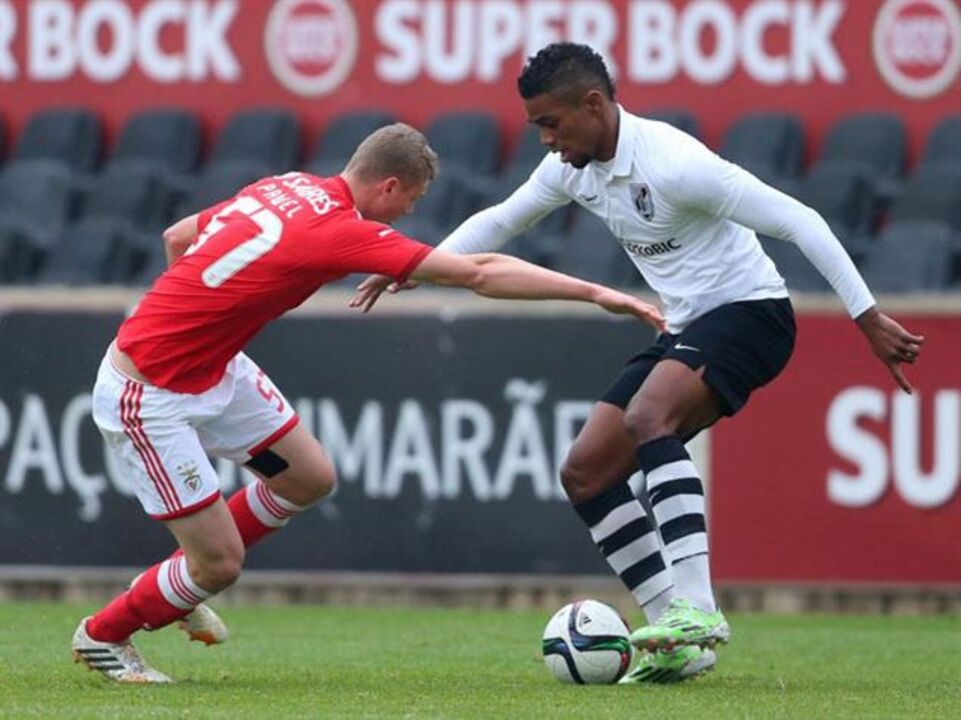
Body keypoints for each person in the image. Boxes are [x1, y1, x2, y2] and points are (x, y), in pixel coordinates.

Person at [353, 44, 925, 684]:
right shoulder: (573, 168)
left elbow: (800, 220)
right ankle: (681, 641)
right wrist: (412, 267)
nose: (544, 138)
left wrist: (866, 315)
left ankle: (698, 610)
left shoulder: (676, 163)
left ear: (593, 104)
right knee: (586, 472)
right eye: (536, 125)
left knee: (650, 415)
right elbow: (501, 220)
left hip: (753, 313)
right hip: (687, 325)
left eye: (551, 122)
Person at [71, 122, 665, 684]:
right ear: (387, 185)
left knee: (308, 478)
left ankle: (185, 585)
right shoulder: (339, 231)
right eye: (410, 200)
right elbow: (480, 273)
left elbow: (179, 236)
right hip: (148, 390)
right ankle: (104, 635)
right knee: (220, 565)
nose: (409, 213)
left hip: (214, 369)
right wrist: (594, 292)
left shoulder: (289, 185)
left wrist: (206, 327)